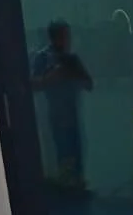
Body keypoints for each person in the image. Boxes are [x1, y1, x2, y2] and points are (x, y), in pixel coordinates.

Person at [31, 20, 93, 185]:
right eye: (65, 36)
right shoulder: (43, 58)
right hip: (54, 115)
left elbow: (89, 84)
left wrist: (75, 74)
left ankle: (77, 183)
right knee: (61, 154)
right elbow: (32, 85)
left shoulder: (72, 59)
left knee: (76, 153)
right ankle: (63, 186)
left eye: (68, 36)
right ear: (55, 37)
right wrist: (50, 78)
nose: (68, 40)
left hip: (73, 114)